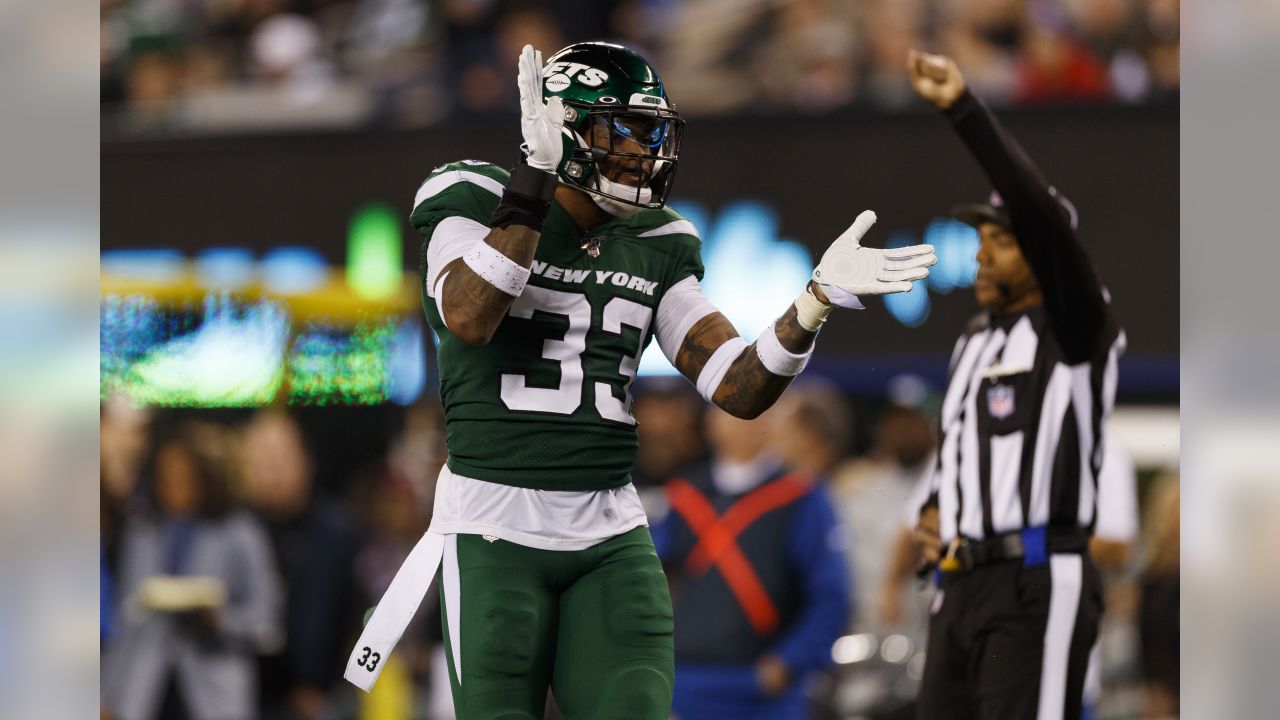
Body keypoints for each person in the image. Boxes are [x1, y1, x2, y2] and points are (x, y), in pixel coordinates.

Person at [345, 41, 936, 720]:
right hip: (492, 529)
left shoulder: (660, 239)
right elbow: (471, 316)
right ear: (562, 130)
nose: (642, 153)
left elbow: (738, 388)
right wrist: (532, 186)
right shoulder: (471, 193)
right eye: (621, 132)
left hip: (608, 533)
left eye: (652, 133)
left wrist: (812, 304)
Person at [903, 50, 1126, 720]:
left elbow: (1045, 223)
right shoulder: (973, 338)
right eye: (981, 240)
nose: (979, 253)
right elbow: (964, 457)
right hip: (958, 585)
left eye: (1000, 241)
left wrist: (966, 113)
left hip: (1036, 579)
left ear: (1041, 253)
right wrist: (935, 513)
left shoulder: (1075, 326)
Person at [652, 404, 849, 720]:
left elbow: (831, 595)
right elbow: (643, 579)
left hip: (763, 692)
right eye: (726, 408)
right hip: (685, 683)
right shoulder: (683, 495)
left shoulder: (801, 496)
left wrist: (789, 661)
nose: (739, 418)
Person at [102, 423, 281, 720]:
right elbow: (125, 621)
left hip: (214, 690)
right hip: (146, 691)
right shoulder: (145, 529)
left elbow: (267, 621)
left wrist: (220, 620)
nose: (173, 487)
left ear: (206, 477)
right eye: (165, 477)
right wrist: (106, 694)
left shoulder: (240, 532)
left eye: (184, 477)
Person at [241, 409, 361, 720]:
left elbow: (356, 618)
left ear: (307, 461)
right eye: (262, 460)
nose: (273, 471)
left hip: (322, 699)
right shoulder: (231, 532)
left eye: (281, 458)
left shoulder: (338, 532)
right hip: (241, 696)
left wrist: (319, 685)